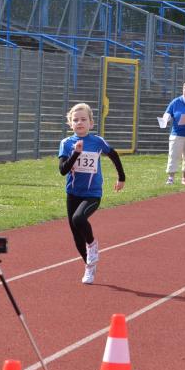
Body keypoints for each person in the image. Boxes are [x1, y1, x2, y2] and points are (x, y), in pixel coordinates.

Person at [58, 103, 125, 284]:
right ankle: (89, 266)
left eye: (83, 119)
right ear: (70, 124)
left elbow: (114, 155)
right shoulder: (66, 143)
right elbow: (63, 170)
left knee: (78, 219)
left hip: (92, 194)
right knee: (76, 235)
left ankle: (92, 245)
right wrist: (75, 153)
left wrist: (121, 178)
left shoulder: (97, 141)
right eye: (75, 120)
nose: (79, 122)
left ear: (91, 123)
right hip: (73, 193)